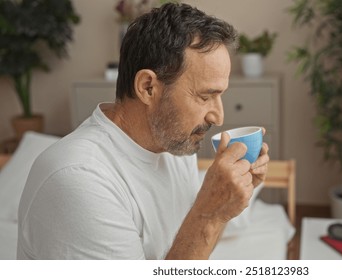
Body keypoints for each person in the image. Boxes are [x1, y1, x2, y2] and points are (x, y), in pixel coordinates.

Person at [17, 3, 269, 260]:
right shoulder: (78, 179)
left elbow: (192, 249)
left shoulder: (175, 145)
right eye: (205, 96)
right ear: (148, 87)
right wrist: (209, 214)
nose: (218, 116)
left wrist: (223, 205)